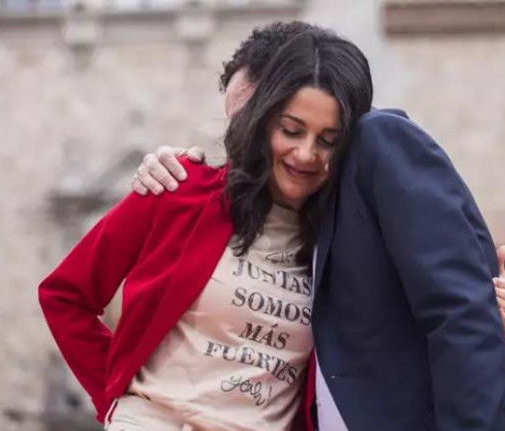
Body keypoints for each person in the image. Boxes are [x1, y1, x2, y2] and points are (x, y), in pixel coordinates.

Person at [131, 22, 505, 431]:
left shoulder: (381, 142)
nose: (240, 143)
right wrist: (166, 170)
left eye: (249, 118)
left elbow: (459, 312)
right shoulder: (293, 206)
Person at [39, 28, 373, 431]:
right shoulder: (179, 188)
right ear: (264, 122)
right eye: (291, 129)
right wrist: (118, 399)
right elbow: (64, 295)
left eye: (328, 140)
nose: (305, 153)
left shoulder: (344, 239)